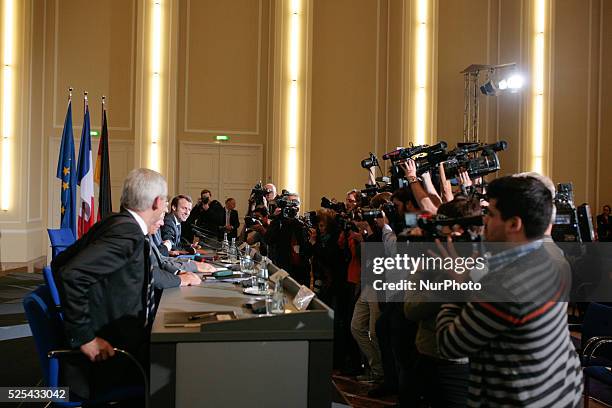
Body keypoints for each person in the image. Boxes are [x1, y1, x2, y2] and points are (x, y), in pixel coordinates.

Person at [436, 175, 583, 407]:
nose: (484, 221)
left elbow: (449, 344)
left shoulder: (503, 286)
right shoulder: (554, 257)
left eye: (491, 214)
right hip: (558, 387)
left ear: (514, 224)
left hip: (517, 397)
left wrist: (460, 284)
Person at [51, 168, 167, 399]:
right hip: (114, 357)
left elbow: (60, 263)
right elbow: (71, 274)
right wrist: (85, 337)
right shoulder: (128, 233)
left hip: (120, 345)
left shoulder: (115, 222)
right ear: (157, 202)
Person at [265, 192, 312, 286]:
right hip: (283, 267)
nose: (292, 207)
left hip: (301, 271)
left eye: (295, 203)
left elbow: (308, 250)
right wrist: (277, 218)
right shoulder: (280, 223)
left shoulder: (303, 224)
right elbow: (268, 240)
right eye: (289, 203)